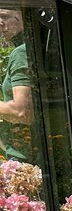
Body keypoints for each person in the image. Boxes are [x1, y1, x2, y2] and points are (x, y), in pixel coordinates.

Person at [0, 8, 34, 163]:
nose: (0, 23)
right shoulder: (31, 47)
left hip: (26, 159)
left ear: (22, 15)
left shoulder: (21, 52)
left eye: (4, 16)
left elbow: (21, 111)